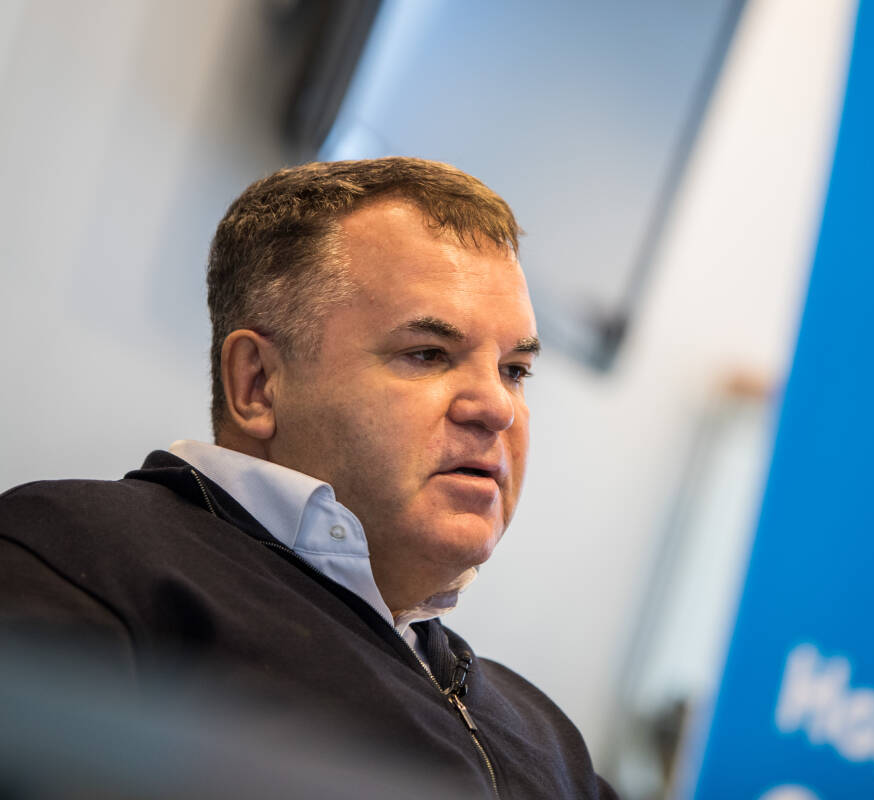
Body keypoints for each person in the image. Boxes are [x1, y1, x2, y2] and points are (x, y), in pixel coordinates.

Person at [0, 158, 618, 799]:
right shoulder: (78, 555)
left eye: (515, 370)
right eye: (428, 354)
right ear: (258, 384)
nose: (496, 408)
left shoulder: (548, 736)